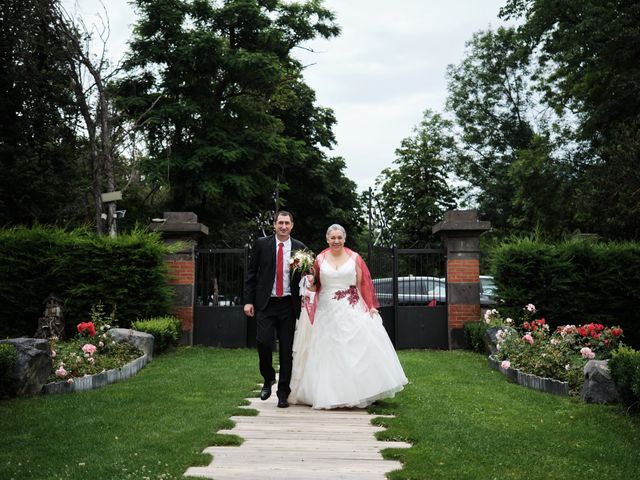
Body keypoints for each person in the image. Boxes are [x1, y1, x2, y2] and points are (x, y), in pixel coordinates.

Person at [289, 224, 408, 409]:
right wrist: (308, 280)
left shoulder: (355, 258)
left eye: (339, 237)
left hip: (351, 306)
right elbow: (315, 286)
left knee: (356, 348)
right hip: (327, 310)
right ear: (327, 239)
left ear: (344, 239)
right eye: (332, 238)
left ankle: (360, 391)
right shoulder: (319, 259)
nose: (336, 241)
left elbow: (363, 284)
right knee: (328, 351)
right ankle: (329, 393)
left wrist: (370, 306)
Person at [244, 211, 307, 408]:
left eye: (287, 223)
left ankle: (282, 393)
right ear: (274, 225)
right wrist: (248, 301)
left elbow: (306, 276)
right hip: (266, 303)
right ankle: (268, 377)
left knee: (287, 351)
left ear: (292, 225)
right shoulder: (262, 244)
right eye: (280, 222)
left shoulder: (300, 248)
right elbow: (251, 274)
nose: (283, 226)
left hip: (289, 305)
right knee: (263, 342)